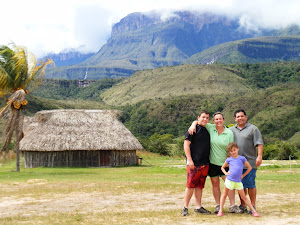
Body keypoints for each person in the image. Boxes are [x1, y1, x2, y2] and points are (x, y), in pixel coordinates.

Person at [188, 112, 240, 214]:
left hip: (225, 164)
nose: (218, 121)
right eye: (216, 119)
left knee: (229, 184)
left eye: (220, 119)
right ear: (213, 121)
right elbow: (199, 121)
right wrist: (193, 125)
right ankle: (218, 205)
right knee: (215, 184)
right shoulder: (211, 128)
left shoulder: (229, 133)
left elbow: (231, 148)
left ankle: (232, 205)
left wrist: (229, 162)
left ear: (223, 120)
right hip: (212, 163)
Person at [229, 109, 264, 213]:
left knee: (251, 185)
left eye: (242, 116)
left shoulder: (253, 129)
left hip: (250, 162)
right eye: (238, 117)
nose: (240, 118)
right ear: (235, 119)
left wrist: (259, 156)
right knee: (241, 185)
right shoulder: (231, 130)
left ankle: (252, 206)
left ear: (246, 117)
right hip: (237, 164)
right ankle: (243, 205)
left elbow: (259, 143)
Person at [217, 142, 260, 217]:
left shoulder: (242, 158)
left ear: (237, 149)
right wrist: (226, 173)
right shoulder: (229, 159)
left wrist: (243, 175)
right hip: (229, 181)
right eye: (231, 151)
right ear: (229, 152)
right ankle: (220, 211)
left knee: (244, 197)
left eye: (234, 150)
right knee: (224, 195)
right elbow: (222, 167)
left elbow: (249, 168)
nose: (233, 152)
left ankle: (253, 211)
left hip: (238, 182)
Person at [181, 110, 211, 216]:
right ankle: (185, 207)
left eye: (207, 118)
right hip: (194, 163)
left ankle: (198, 207)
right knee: (190, 185)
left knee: (199, 186)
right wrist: (189, 160)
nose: (205, 119)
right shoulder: (192, 130)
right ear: (198, 117)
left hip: (204, 163)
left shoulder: (207, 130)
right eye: (203, 117)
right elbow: (186, 145)